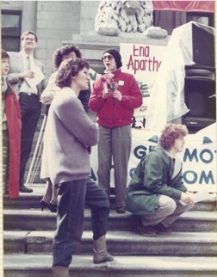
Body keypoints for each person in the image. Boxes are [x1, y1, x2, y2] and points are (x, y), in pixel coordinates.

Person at [46, 58, 113, 277]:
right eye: (85, 72)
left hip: (78, 171)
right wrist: (92, 128)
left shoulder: (68, 98)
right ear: (73, 74)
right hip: (71, 172)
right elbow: (91, 135)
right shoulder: (67, 99)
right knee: (70, 227)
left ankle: (100, 251)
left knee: (102, 201)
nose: (88, 76)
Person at [89, 48, 142, 213]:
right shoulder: (99, 81)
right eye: (104, 57)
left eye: (109, 57)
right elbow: (91, 105)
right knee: (102, 165)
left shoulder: (128, 78)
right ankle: (102, 202)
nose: (106, 60)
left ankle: (121, 203)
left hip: (122, 126)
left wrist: (122, 98)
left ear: (117, 59)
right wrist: (102, 96)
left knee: (121, 165)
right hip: (104, 126)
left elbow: (139, 100)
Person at [40, 44, 91, 212]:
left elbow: (85, 99)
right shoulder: (56, 77)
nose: (71, 60)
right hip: (56, 120)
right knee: (52, 154)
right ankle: (51, 196)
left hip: (75, 120)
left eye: (74, 57)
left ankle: (53, 197)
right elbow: (44, 96)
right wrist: (61, 94)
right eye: (67, 57)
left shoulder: (83, 78)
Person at [126, 123, 195, 236]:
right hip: (140, 195)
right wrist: (180, 195)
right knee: (169, 204)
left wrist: (186, 192)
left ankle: (160, 225)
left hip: (155, 195)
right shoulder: (156, 156)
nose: (184, 142)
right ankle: (144, 224)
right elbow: (153, 185)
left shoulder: (176, 160)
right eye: (181, 138)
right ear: (171, 140)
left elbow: (177, 183)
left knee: (189, 202)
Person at [7, 31, 44, 193]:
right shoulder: (12, 57)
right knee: (13, 140)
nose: (29, 41)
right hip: (18, 99)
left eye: (32, 39)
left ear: (36, 43)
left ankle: (19, 182)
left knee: (27, 143)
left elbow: (41, 85)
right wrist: (22, 75)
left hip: (34, 102)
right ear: (22, 42)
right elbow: (5, 77)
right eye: (26, 39)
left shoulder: (39, 64)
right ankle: (8, 182)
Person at [2, 49, 22, 199]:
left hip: (5, 127)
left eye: (7, 62)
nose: (6, 65)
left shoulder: (5, 82)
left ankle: (3, 189)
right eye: (3, 62)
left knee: (5, 160)